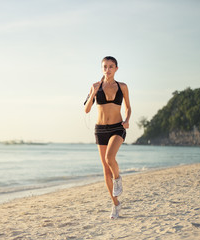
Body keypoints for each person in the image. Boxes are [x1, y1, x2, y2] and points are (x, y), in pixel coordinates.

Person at [84, 56, 131, 219]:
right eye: (105, 66)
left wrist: (127, 120)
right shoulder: (95, 86)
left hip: (118, 127)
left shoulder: (122, 86)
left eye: (111, 66)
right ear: (101, 68)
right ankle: (116, 204)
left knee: (110, 157)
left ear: (116, 69)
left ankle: (117, 179)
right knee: (105, 169)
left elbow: (128, 107)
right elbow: (87, 109)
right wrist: (93, 93)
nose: (107, 69)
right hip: (100, 129)